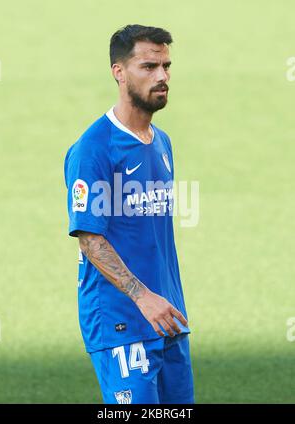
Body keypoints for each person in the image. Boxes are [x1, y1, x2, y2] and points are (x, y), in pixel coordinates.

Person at [64, 24, 195, 404]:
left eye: (166, 66)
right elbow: (90, 237)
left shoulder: (162, 143)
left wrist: (161, 299)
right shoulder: (94, 148)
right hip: (121, 321)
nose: (162, 77)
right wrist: (142, 297)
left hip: (168, 317)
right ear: (119, 72)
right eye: (149, 66)